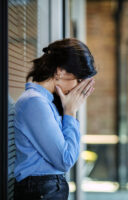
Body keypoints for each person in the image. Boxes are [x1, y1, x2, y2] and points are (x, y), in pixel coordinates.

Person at [14, 38, 97, 200]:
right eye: (78, 79)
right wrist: (70, 112)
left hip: (45, 188)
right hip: (41, 190)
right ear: (60, 71)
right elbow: (65, 160)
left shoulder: (45, 102)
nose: (78, 87)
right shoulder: (34, 102)